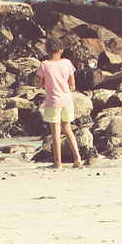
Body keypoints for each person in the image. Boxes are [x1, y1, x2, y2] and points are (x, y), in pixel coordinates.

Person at [36, 37, 82, 169]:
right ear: (61, 50)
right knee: (68, 129)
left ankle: (58, 162)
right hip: (66, 101)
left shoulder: (44, 65)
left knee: (56, 132)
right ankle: (77, 158)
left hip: (53, 102)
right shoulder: (67, 63)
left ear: (46, 51)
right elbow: (72, 83)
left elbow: (39, 85)